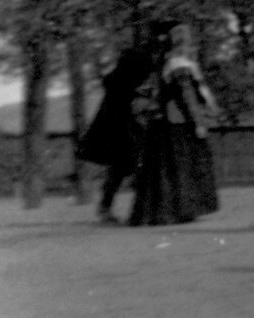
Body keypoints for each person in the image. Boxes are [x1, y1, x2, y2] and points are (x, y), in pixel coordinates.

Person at [128, 30, 222, 226]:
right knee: (179, 168)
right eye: (189, 44)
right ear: (182, 45)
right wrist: (198, 122)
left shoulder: (167, 63)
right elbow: (186, 96)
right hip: (178, 122)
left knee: (166, 169)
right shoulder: (179, 65)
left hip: (166, 122)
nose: (192, 48)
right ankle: (179, 211)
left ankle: (167, 213)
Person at [79, 38, 158, 223]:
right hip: (123, 133)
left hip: (119, 133)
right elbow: (128, 107)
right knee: (127, 168)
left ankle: (107, 206)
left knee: (120, 170)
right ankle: (128, 208)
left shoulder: (118, 83)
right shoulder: (123, 87)